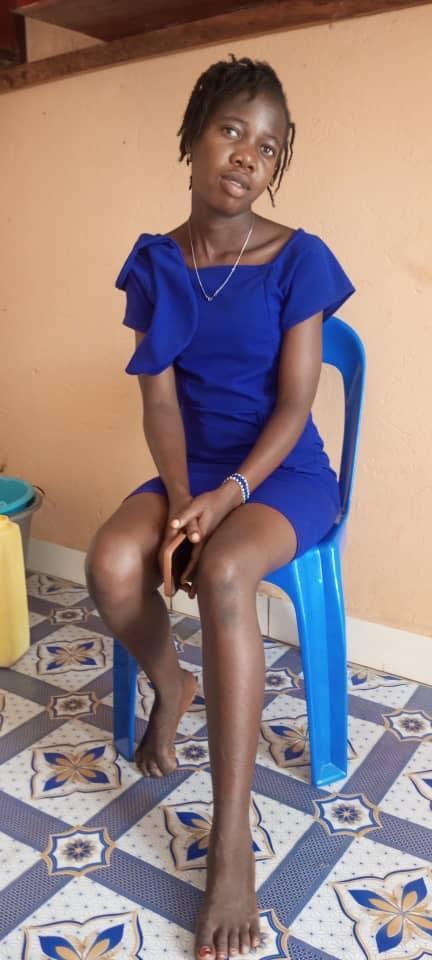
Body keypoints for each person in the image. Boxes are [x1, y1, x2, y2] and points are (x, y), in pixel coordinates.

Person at [86, 55, 355, 960]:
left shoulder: (300, 258)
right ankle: (173, 682)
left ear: (276, 168)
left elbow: (295, 406)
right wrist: (179, 503)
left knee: (230, 570)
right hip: (191, 470)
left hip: (280, 475)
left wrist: (227, 498)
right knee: (110, 561)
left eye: (267, 147)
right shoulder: (156, 264)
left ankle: (231, 838)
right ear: (193, 138)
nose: (247, 155)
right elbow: (160, 404)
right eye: (232, 130)